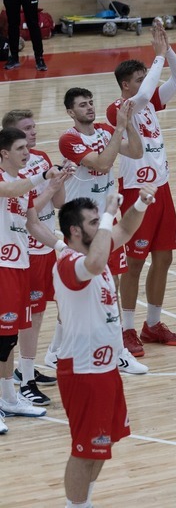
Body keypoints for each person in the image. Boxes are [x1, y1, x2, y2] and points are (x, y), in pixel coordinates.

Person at [53, 153, 157, 508]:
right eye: (95, 222)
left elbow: (124, 230)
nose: (104, 227)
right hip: (83, 372)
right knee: (84, 449)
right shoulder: (70, 263)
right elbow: (97, 261)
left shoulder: (92, 246)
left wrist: (140, 203)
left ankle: (85, 503)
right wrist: (110, 209)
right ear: (76, 232)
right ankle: (75, 506)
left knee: (102, 445)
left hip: (105, 368)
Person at [107, 21, 176, 358]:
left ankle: (152, 324)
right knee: (135, 263)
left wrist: (166, 50)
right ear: (125, 85)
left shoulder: (151, 103)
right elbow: (142, 95)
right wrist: (156, 59)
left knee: (164, 257)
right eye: (138, 79)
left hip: (162, 189)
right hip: (135, 193)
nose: (146, 84)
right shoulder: (120, 107)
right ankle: (125, 328)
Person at [0, 127, 72, 433]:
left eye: (25, 147)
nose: (26, 152)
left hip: (20, 263)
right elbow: (13, 192)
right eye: (19, 148)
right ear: (4, 154)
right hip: (1, 264)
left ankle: (8, 398)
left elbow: (32, 224)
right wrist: (45, 178)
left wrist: (62, 247)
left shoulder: (23, 185)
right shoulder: (7, 181)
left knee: (9, 339)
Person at [59, 87, 144, 285]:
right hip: (81, 222)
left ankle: (114, 318)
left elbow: (137, 152)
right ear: (71, 112)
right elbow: (102, 164)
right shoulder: (69, 139)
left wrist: (128, 124)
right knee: (81, 282)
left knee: (112, 281)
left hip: (105, 218)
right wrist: (120, 129)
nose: (89, 107)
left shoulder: (105, 131)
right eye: (82, 105)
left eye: (90, 102)